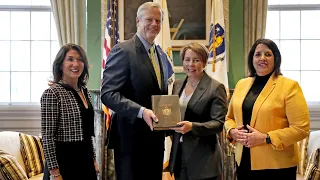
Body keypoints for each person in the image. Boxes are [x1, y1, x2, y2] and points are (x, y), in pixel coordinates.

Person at [101, 2, 173, 180]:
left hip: (155, 141)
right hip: (129, 142)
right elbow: (108, 94)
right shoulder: (122, 50)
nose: (154, 24)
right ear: (138, 21)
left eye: (158, 20)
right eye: (149, 19)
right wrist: (141, 112)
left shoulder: (162, 56)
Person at [224, 38, 310, 180]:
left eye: (268, 54)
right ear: (252, 58)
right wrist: (232, 131)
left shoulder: (289, 86)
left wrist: (266, 138)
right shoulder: (241, 84)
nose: (262, 58)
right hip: (244, 161)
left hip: (277, 166)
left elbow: (301, 129)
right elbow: (229, 118)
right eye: (258, 54)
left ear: (276, 58)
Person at [168, 43, 228, 180]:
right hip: (180, 156)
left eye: (196, 60)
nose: (191, 64)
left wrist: (192, 127)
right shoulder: (177, 84)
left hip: (204, 160)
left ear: (205, 62)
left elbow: (218, 123)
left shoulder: (216, 87)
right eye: (187, 59)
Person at [41, 43, 99, 180]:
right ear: (61, 64)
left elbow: (87, 133)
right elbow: (47, 137)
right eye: (70, 59)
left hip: (85, 161)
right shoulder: (52, 93)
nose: (76, 64)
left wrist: (93, 159)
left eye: (80, 59)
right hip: (64, 163)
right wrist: (55, 172)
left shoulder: (85, 92)